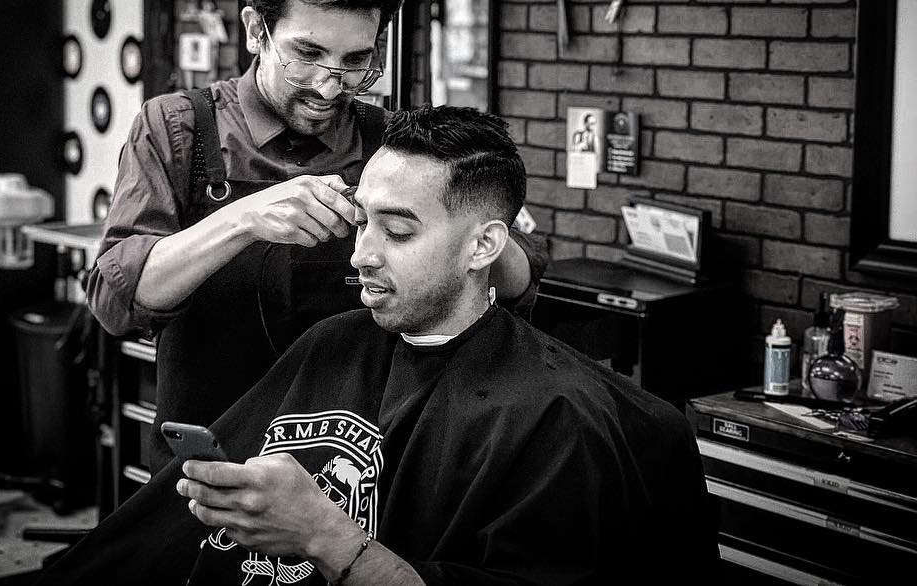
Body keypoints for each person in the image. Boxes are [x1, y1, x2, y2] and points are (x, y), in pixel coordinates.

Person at [38, 106, 718, 585]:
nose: (360, 255)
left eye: (397, 232)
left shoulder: (556, 422)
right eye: (360, 222)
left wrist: (322, 535)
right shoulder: (333, 344)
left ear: (484, 245)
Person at [85, 0, 543, 474]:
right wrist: (242, 219)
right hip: (214, 459)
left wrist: (474, 230)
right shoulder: (178, 129)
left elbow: (518, 285)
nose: (329, 86)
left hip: (354, 468)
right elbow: (115, 301)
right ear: (256, 30)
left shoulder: (390, 142)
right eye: (307, 55)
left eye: (356, 61)